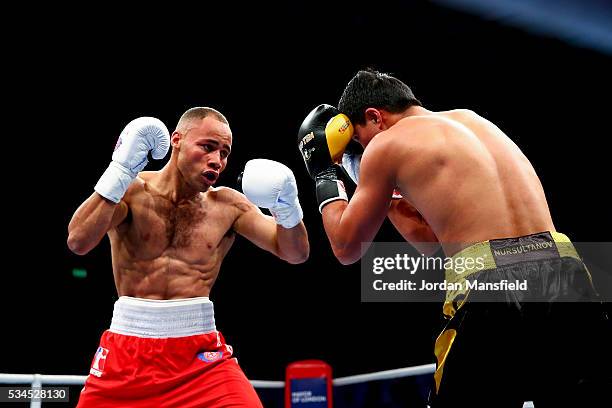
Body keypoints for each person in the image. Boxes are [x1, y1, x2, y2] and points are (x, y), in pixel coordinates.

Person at [296, 69, 611, 407]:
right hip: (566, 270)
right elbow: (432, 244)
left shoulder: (386, 144)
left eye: (359, 141)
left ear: (375, 117)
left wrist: (325, 173)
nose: (363, 152)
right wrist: (382, 198)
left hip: (491, 284)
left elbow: (345, 247)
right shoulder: (472, 121)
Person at [68, 107, 309, 407]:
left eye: (224, 153)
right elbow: (78, 240)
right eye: (208, 147)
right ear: (177, 140)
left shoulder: (229, 206)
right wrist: (119, 171)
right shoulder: (131, 191)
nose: (217, 161)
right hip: (127, 353)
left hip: (201, 358)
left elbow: (295, 253)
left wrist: (287, 208)